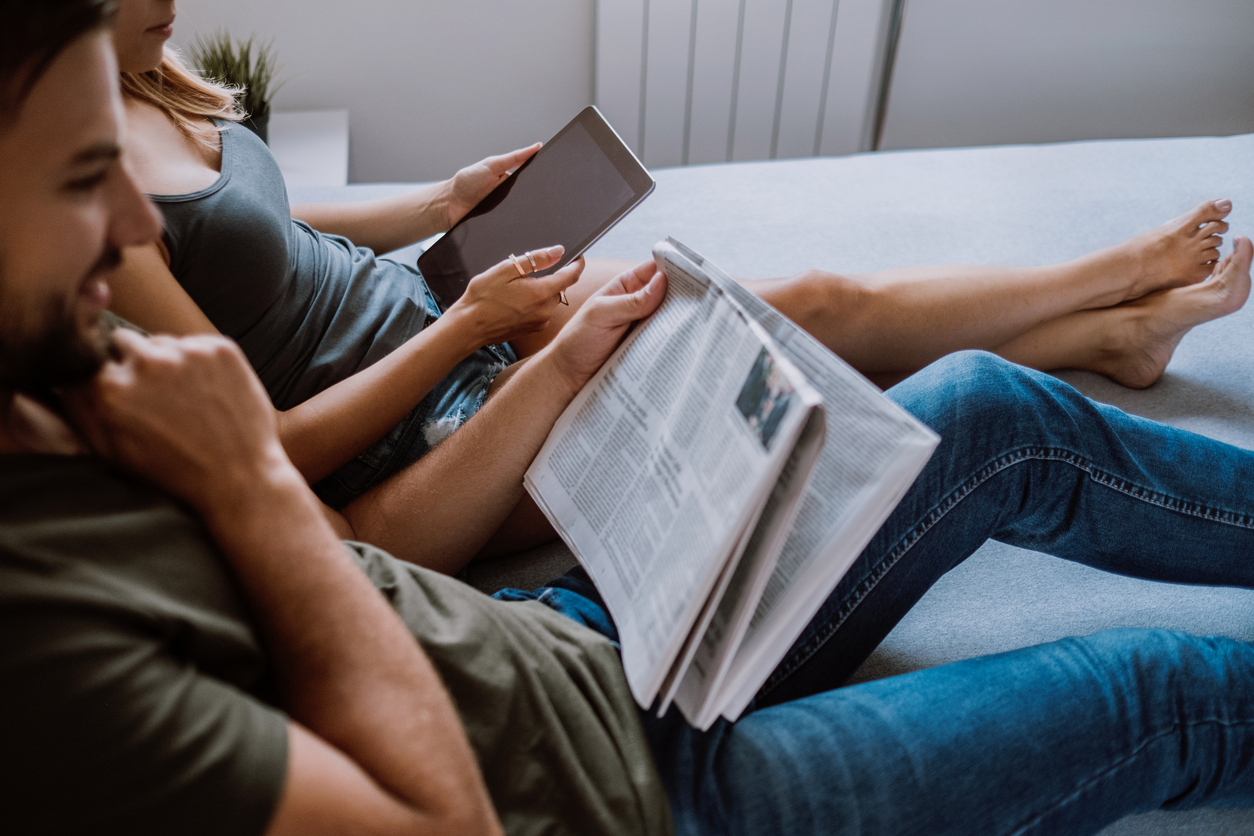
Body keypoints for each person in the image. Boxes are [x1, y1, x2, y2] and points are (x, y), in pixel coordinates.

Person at [9, 3, 1254, 835]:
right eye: (80, 178)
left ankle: (1106, 335)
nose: (132, 225)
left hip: (557, 641)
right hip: (613, 790)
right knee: (1158, 687)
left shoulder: (63, 382)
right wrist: (255, 483)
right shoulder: (44, 640)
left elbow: (266, 251)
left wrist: (448, 232)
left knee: (987, 407)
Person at [102, 0, 1248, 542]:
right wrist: (470, 329)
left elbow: (265, 215)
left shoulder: (143, 77)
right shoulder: (92, 205)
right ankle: (1109, 291)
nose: (168, 2)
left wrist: (438, 204)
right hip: (416, 431)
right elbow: (267, 449)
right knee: (772, 365)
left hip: (436, 314)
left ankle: (1107, 324)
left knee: (791, 305)